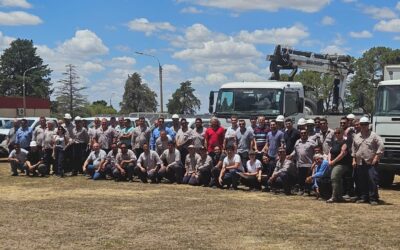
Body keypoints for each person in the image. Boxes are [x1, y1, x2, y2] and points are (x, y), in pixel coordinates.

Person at [352, 117, 384, 205]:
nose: (363, 126)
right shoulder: (357, 136)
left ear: (368, 125)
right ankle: (363, 197)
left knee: (372, 180)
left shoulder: (374, 135)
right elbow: (354, 149)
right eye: (362, 124)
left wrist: (376, 157)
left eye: (365, 124)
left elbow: (381, 146)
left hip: (370, 162)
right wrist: (354, 160)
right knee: (361, 180)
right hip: (359, 162)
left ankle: (373, 198)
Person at [326, 128, 351, 202]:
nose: (337, 134)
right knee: (338, 180)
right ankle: (339, 196)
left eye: (338, 133)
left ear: (342, 133)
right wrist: (329, 161)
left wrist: (333, 161)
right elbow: (330, 152)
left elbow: (342, 154)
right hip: (333, 163)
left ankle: (333, 197)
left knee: (334, 177)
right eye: (335, 133)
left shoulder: (345, 143)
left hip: (342, 164)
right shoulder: (334, 142)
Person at [289, 129, 317, 195]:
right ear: (300, 134)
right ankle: (301, 189)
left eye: (305, 133)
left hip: (309, 163)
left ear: (307, 134)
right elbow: (295, 151)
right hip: (300, 163)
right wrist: (290, 155)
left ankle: (308, 190)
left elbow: (317, 150)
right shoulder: (297, 142)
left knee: (308, 178)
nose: (303, 134)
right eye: (302, 133)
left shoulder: (311, 142)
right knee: (301, 178)